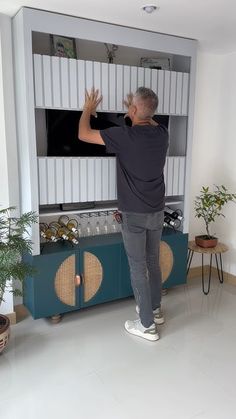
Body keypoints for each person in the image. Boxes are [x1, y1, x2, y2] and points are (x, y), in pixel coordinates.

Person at [78, 87, 169, 341]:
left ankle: (147, 325)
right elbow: (148, 119)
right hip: (157, 210)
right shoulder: (162, 134)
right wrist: (136, 111)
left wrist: (88, 108)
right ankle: (155, 310)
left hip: (134, 213)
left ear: (133, 109)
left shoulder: (125, 136)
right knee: (153, 261)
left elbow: (83, 134)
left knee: (138, 267)